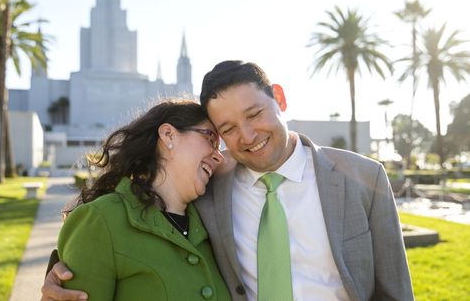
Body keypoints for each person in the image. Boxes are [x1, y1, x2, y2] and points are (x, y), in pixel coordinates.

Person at [42, 61, 414, 301]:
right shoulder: (210, 190)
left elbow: (395, 292)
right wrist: (58, 275)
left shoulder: (363, 178)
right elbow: (137, 225)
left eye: (255, 114)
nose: (248, 136)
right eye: (226, 130)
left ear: (279, 98)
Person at [47, 99, 230, 301]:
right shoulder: (100, 220)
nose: (218, 156)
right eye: (211, 139)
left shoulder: (212, 227)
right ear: (169, 135)